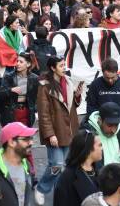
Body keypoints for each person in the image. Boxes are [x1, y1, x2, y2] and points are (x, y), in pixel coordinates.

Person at [35, 56, 84, 205]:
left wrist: (77, 96)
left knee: (66, 166)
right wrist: (50, 134)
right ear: (52, 68)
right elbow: (43, 113)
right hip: (55, 131)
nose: (64, 68)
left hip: (69, 130)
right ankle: (41, 188)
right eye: (61, 66)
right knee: (56, 164)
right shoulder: (44, 86)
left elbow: (72, 107)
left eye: (64, 65)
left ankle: (60, 195)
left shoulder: (68, 82)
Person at [86, 58, 120, 139]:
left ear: (117, 72)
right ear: (102, 73)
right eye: (107, 77)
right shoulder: (95, 84)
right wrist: (96, 123)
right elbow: (90, 106)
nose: (110, 80)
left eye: (113, 77)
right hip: (100, 128)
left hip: (119, 127)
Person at [53, 129, 103, 205]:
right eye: (100, 145)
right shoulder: (67, 177)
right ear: (89, 149)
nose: (102, 148)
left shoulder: (98, 170)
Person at [0, 52, 39, 127]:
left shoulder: (34, 78)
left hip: (27, 113)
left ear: (28, 64)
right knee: (12, 137)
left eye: (21, 62)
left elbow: (37, 97)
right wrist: (11, 90)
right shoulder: (9, 76)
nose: (18, 64)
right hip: (11, 113)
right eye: (17, 61)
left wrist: (34, 109)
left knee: (24, 137)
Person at [82, 102, 120, 167]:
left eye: (116, 125)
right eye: (110, 125)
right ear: (100, 120)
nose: (113, 130)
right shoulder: (88, 134)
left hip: (119, 174)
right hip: (100, 176)